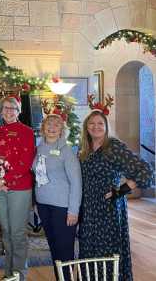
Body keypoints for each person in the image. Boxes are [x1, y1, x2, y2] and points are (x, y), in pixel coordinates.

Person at [78, 110, 154, 281]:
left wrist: (121, 191)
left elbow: (146, 171)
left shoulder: (113, 146)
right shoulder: (84, 148)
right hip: (88, 209)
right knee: (89, 248)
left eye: (100, 124)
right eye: (92, 123)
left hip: (108, 208)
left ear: (106, 127)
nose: (96, 127)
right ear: (86, 127)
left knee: (107, 250)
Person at [0, 95, 35, 281]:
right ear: (1, 111)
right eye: (6, 108)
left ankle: (19, 275)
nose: (9, 111)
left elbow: (25, 162)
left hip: (19, 188)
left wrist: (5, 180)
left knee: (17, 233)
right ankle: (8, 274)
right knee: (6, 231)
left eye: (13, 108)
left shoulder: (27, 132)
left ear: (19, 111)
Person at [32, 114, 81, 281]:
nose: (52, 128)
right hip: (44, 206)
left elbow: (76, 183)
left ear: (62, 130)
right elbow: (37, 177)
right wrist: (37, 204)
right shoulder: (39, 148)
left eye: (56, 125)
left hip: (63, 207)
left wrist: (73, 211)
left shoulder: (66, 151)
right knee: (53, 247)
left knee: (65, 249)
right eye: (49, 124)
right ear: (43, 128)